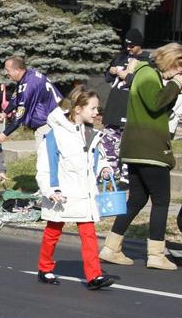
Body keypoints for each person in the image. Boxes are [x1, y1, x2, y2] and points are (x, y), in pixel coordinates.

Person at [99, 43, 182, 270]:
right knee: (162, 201)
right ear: (170, 61)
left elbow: (159, 106)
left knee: (136, 199)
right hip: (149, 149)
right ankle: (156, 254)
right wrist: (175, 84)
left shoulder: (147, 74)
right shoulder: (147, 74)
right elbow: (155, 104)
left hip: (137, 148)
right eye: (178, 66)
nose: (178, 72)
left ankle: (111, 247)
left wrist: (172, 88)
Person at [35, 88, 114, 289]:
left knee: (89, 234)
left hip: (85, 193)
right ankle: (45, 268)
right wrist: (50, 190)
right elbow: (45, 165)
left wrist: (104, 169)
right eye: (93, 108)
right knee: (53, 231)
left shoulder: (92, 133)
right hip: (62, 194)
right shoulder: (56, 135)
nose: (97, 113)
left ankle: (94, 276)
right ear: (78, 109)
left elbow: (99, 158)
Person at [101, 28, 146, 181]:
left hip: (129, 109)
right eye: (127, 45)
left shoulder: (146, 60)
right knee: (108, 142)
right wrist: (112, 71)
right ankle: (109, 174)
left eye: (132, 46)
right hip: (114, 107)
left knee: (127, 144)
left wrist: (126, 74)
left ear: (139, 45)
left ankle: (127, 177)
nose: (129, 49)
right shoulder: (120, 57)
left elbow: (142, 82)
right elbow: (107, 77)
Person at [0, 57, 61, 144]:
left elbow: (20, 114)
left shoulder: (28, 85)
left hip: (48, 124)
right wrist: (5, 113)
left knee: (44, 156)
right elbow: (16, 98)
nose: (6, 73)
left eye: (8, 70)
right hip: (55, 118)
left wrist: (4, 134)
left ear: (17, 70)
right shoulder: (29, 74)